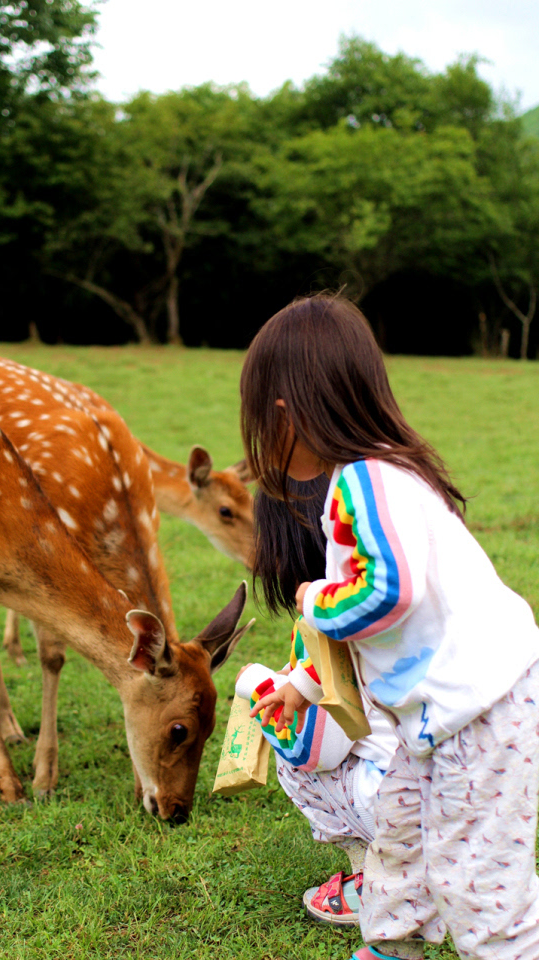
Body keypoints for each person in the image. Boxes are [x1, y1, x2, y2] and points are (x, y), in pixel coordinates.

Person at [241, 292, 539, 960]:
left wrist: (317, 599)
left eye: (260, 419)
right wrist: (305, 685)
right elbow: (374, 633)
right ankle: (390, 945)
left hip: (482, 710)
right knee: (401, 838)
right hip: (444, 714)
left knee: (481, 892)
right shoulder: (382, 473)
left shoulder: (367, 481)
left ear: (286, 412)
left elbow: (389, 593)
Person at [236, 477, 398, 926]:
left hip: (406, 804)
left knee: (294, 760)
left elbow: (317, 749)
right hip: (470, 784)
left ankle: (375, 879)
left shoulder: (326, 622)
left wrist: (256, 684)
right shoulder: (387, 594)